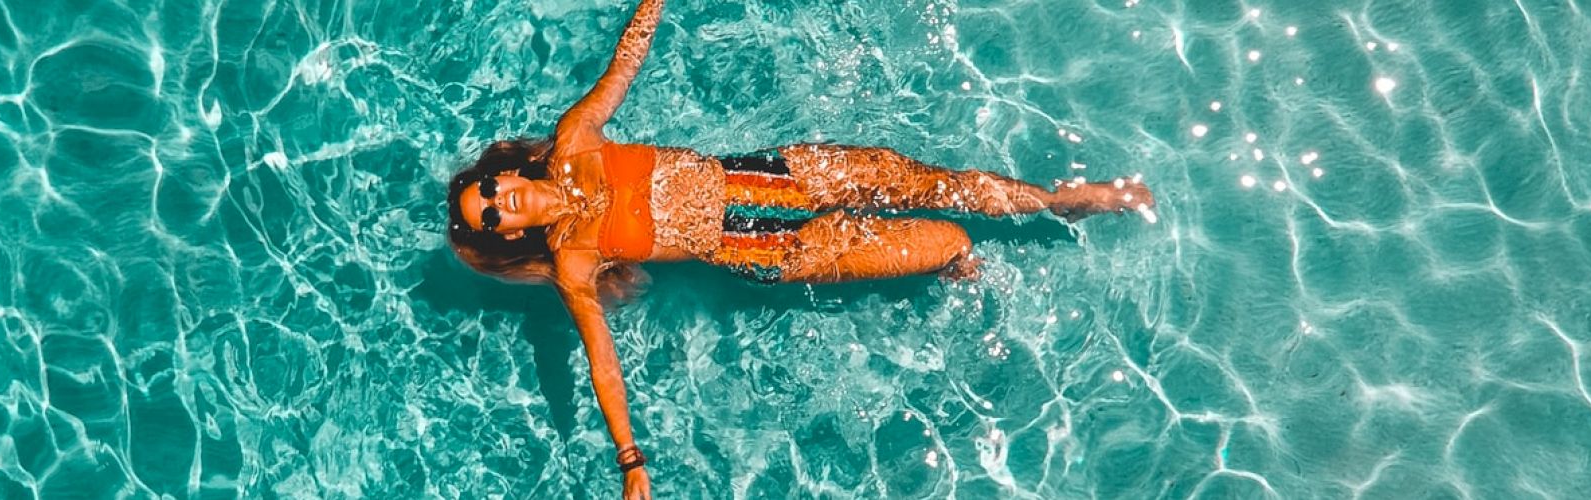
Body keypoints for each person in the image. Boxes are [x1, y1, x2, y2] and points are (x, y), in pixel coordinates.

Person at [444, 0, 1153, 497]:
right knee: (948, 242)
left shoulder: (575, 140)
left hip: (780, 172)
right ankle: (960, 266)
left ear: (504, 173)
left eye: (491, 191)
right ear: (507, 236)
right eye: (492, 218)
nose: (501, 203)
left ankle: (1059, 201)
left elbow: (622, 66)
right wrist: (631, 458)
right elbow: (601, 358)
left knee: (932, 182)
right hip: (780, 248)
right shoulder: (573, 259)